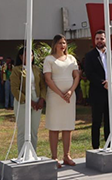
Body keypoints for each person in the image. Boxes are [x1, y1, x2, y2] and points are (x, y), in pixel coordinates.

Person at [44, 34, 80, 167]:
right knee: (54, 127)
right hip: (55, 97)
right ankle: (54, 157)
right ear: (54, 45)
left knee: (67, 126)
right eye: (60, 43)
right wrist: (60, 93)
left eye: (64, 43)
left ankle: (67, 155)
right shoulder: (49, 59)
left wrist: (70, 91)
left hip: (69, 97)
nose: (62, 45)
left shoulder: (71, 59)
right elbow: (48, 79)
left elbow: (76, 76)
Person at [84, 30, 112, 150]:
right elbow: (89, 73)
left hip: (110, 92)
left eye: (102, 38)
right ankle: (96, 147)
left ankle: (109, 145)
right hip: (97, 92)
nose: (99, 41)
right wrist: (102, 83)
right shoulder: (90, 56)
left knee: (110, 120)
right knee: (97, 121)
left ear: (106, 40)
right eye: (97, 39)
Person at [11, 48, 46, 156]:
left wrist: (41, 99)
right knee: (23, 130)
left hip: (37, 99)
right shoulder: (16, 70)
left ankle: (32, 154)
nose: (29, 58)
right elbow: (15, 89)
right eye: (26, 55)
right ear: (21, 56)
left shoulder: (36, 69)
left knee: (33, 131)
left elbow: (43, 86)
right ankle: (22, 156)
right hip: (22, 101)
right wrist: (29, 102)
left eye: (31, 55)